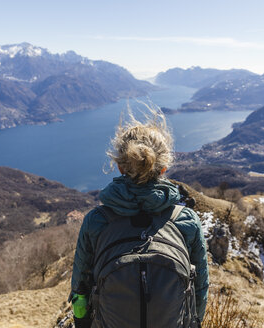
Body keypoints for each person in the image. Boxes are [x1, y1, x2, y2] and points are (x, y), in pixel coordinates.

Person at [69, 105, 209, 328]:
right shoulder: (186, 220)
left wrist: (82, 323)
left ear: (119, 167)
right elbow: (200, 288)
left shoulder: (97, 220)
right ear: (162, 168)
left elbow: (80, 290)